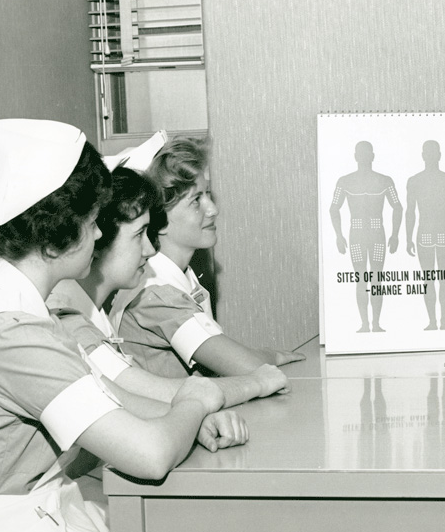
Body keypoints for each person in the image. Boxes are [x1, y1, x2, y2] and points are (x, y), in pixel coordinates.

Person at [0, 119, 247, 532]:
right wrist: (193, 400)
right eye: (93, 220)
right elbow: (150, 455)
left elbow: (105, 399)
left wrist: (186, 418)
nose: (100, 232)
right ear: (57, 231)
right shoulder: (11, 334)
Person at [49, 166, 289, 406]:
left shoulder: (89, 314)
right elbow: (153, 393)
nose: (151, 249)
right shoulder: (70, 322)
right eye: (139, 234)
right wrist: (256, 382)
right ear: (100, 238)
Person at [110, 136, 304, 378]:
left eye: (208, 194)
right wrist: (271, 356)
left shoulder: (178, 278)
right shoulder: (155, 294)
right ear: (159, 219)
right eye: (196, 200)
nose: (213, 209)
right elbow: (248, 368)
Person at [329, 140, 403, 333]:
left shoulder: (385, 180)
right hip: (359, 234)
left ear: (372, 156)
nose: (363, 157)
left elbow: (397, 206)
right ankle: (365, 323)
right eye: (361, 153)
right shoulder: (345, 181)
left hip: (375, 234)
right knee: (362, 278)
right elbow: (333, 208)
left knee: (375, 278)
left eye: (365, 153)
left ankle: (375, 323)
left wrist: (395, 235)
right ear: (356, 156)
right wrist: (338, 235)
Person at [405, 140, 445, 331]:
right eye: (428, 153)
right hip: (432, 232)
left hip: (434, 232)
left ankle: (440, 321)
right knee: (433, 278)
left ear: (438, 155)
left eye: (432, 153)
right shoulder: (443, 180)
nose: (430, 156)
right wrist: (407, 238)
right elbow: (410, 212)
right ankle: (435, 321)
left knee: (437, 278)